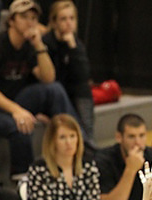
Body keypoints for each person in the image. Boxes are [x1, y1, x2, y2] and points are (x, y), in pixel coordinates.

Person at [0, 0, 79, 178]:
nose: (30, 22)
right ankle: (23, 180)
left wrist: (39, 46)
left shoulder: (29, 45)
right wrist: (17, 110)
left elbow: (48, 78)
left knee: (54, 89)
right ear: (11, 20)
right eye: (24, 17)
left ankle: (79, 146)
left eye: (34, 18)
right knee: (20, 126)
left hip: (15, 100)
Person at [43, 0, 93, 140]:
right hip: (54, 95)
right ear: (54, 22)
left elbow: (84, 75)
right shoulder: (46, 43)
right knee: (58, 90)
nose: (69, 23)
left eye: (72, 18)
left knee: (84, 88)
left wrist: (73, 49)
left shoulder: (76, 44)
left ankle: (87, 137)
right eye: (63, 19)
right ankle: (85, 141)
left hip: (72, 94)